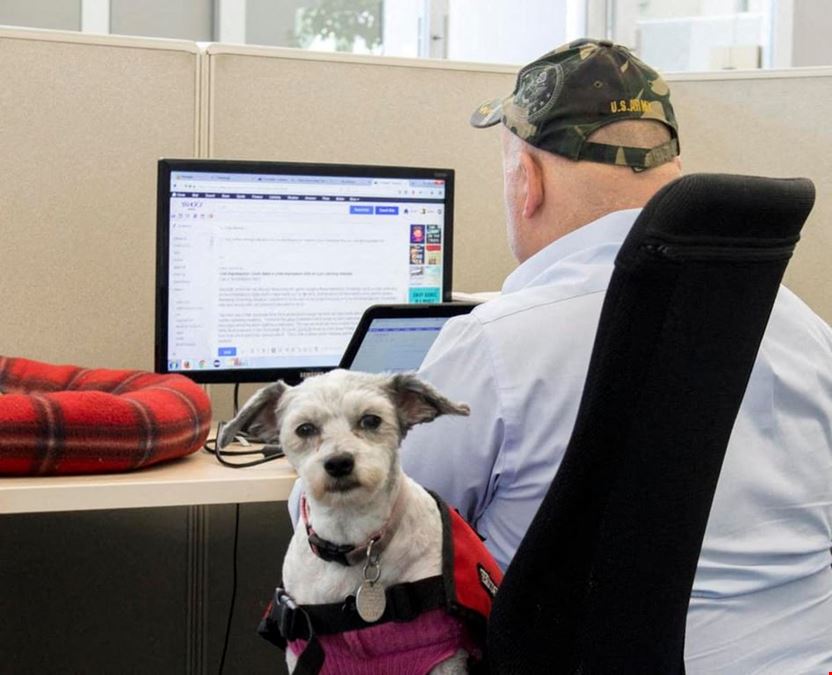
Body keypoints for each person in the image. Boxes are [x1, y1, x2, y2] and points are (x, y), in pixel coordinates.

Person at [400, 38, 832, 672]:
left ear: (527, 182)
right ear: (674, 173)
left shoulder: (496, 343)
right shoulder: (805, 328)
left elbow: (377, 512)